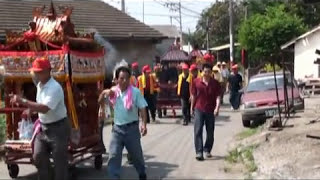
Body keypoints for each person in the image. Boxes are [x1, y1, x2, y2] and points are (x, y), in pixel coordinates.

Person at [10, 57, 70, 180]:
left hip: (58, 128)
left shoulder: (55, 88)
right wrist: (30, 110)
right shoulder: (40, 85)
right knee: (38, 155)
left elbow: (44, 108)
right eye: (35, 72)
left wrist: (23, 101)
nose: (36, 74)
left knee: (60, 163)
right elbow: (40, 103)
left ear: (48, 71)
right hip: (43, 127)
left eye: (39, 71)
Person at [98, 66, 148, 180]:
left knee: (136, 156)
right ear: (116, 80)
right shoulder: (113, 92)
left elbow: (143, 109)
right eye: (121, 78)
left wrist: (144, 124)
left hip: (132, 130)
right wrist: (104, 92)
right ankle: (114, 177)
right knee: (114, 155)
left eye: (126, 78)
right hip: (117, 130)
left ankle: (142, 173)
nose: (124, 81)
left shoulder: (135, 92)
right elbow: (100, 101)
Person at [191, 63, 221, 161]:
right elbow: (194, 96)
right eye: (205, 72)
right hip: (199, 108)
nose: (206, 74)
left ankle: (207, 149)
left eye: (208, 72)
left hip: (210, 110)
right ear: (202, 72)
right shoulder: (196, 82)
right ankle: (199, 152)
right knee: (198, 130)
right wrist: (192, 107)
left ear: (211, 72)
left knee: (210, 132)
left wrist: (217, 108)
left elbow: (218, 97)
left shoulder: (215, 83)